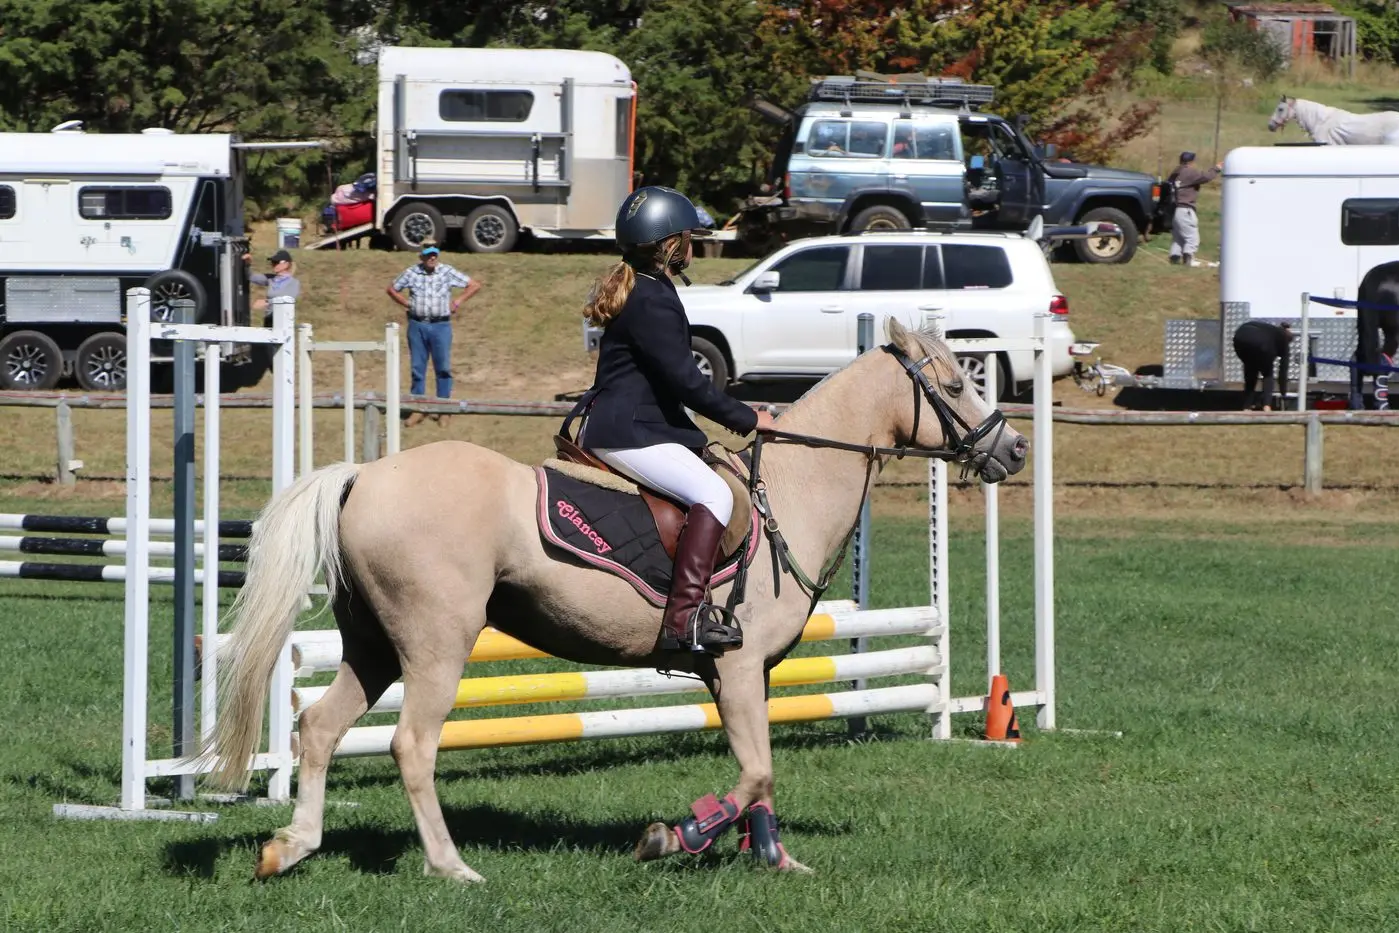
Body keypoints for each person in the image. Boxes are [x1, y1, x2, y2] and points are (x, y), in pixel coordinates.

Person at [576, 185, 776, 656]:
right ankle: (684, 621)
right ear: (670, 243)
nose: (693, 246)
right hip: (629, 432)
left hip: (637, 425)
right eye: (688, 238)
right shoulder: (652, 298)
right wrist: (748, 418)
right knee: (715, 494)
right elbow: (687, 382)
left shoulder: (646, 288)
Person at [386, 244, 481, 426]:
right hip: (417, 325)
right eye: (428, 255)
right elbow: (391, 289)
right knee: (417, 369)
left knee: (443, 368)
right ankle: (418, 408)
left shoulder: (446, 271)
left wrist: (457, 301)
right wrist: (407, 303)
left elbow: (474, 285)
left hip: (441, 326)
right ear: (421, 256)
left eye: (434, 255)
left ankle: (444, 409)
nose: (432, 258)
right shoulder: (411, 273)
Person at [1167, 151, 1223, 268]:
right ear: (1191, 161)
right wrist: (1217, 168)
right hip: (1185, 209)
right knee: (1192, 237)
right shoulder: (1189, 171)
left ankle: (1174, 258)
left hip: (1174, 209)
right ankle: (1189, 260)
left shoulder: (1176, 172)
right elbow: (1206, 177)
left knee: (1178, 237)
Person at [1232, 319, 1294, 411]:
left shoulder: (1271, 330)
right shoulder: (1284, 342)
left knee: (1250, 370)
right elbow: (1283, 370)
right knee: (1268, 374)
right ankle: (1266, 405)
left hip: (1240, 336)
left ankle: (1247, 405)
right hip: (1261, 343)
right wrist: (1283, 392)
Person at [243, 249, 301, 316]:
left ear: (286, 264)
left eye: (277, 262)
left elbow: (287, 300)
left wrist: (266, 302)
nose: (273, 265)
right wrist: (247, 264)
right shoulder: (271, 279)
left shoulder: (294, 283)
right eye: (273, 262)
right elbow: (251, 277)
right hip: (269, 318)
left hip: (283, 318)